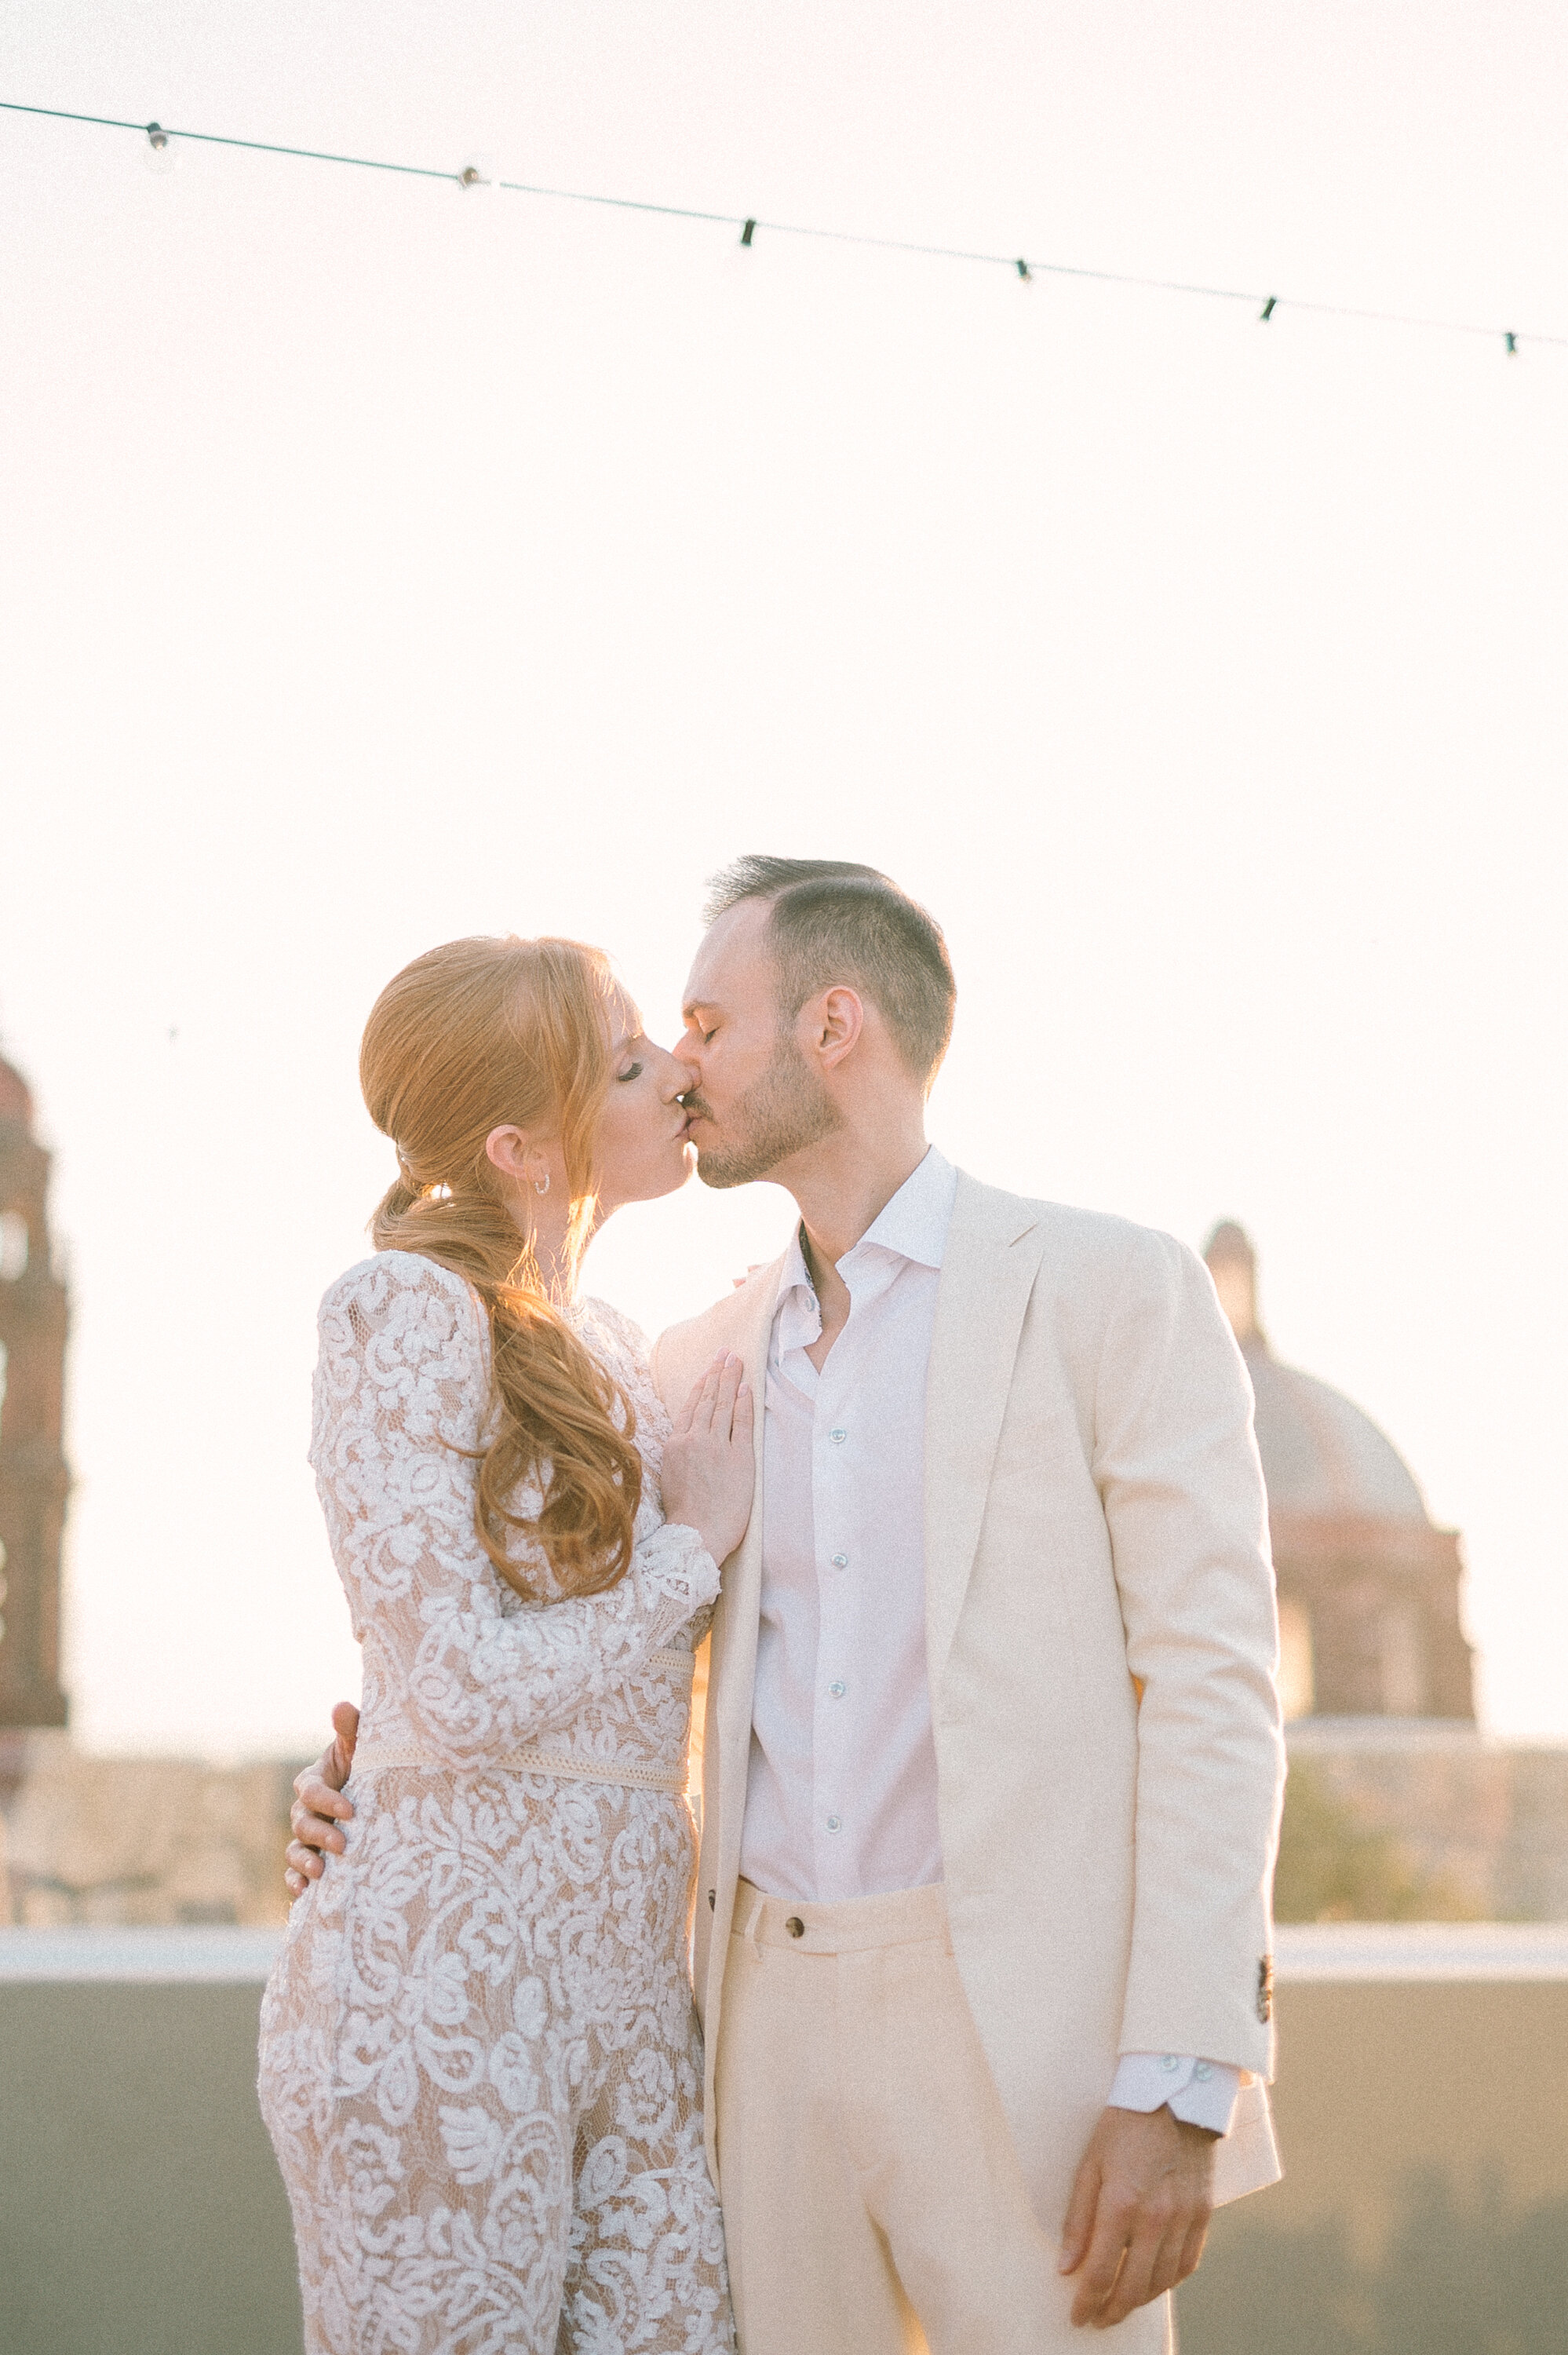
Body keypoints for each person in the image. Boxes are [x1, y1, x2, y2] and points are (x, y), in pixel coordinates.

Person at [291, 863, 1286, 2354]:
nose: (679, 1064)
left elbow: (1217, 1690)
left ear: (834, 1027)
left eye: (705, 1022)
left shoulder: (1105, 1290)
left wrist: (1182, 2075)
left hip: (1019, 2040)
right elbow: (481, 1568)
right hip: (745, 2039)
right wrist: (362, 1791)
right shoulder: (698, 1355)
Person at [258, 934, 753, 2355]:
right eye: (628, 1062)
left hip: (632, 1996)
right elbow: (455, 1682)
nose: (678, 1072)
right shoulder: (397, 1309)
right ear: (519, 1147)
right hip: (442, 1993)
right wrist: (684, 1555)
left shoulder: (617, 1340)